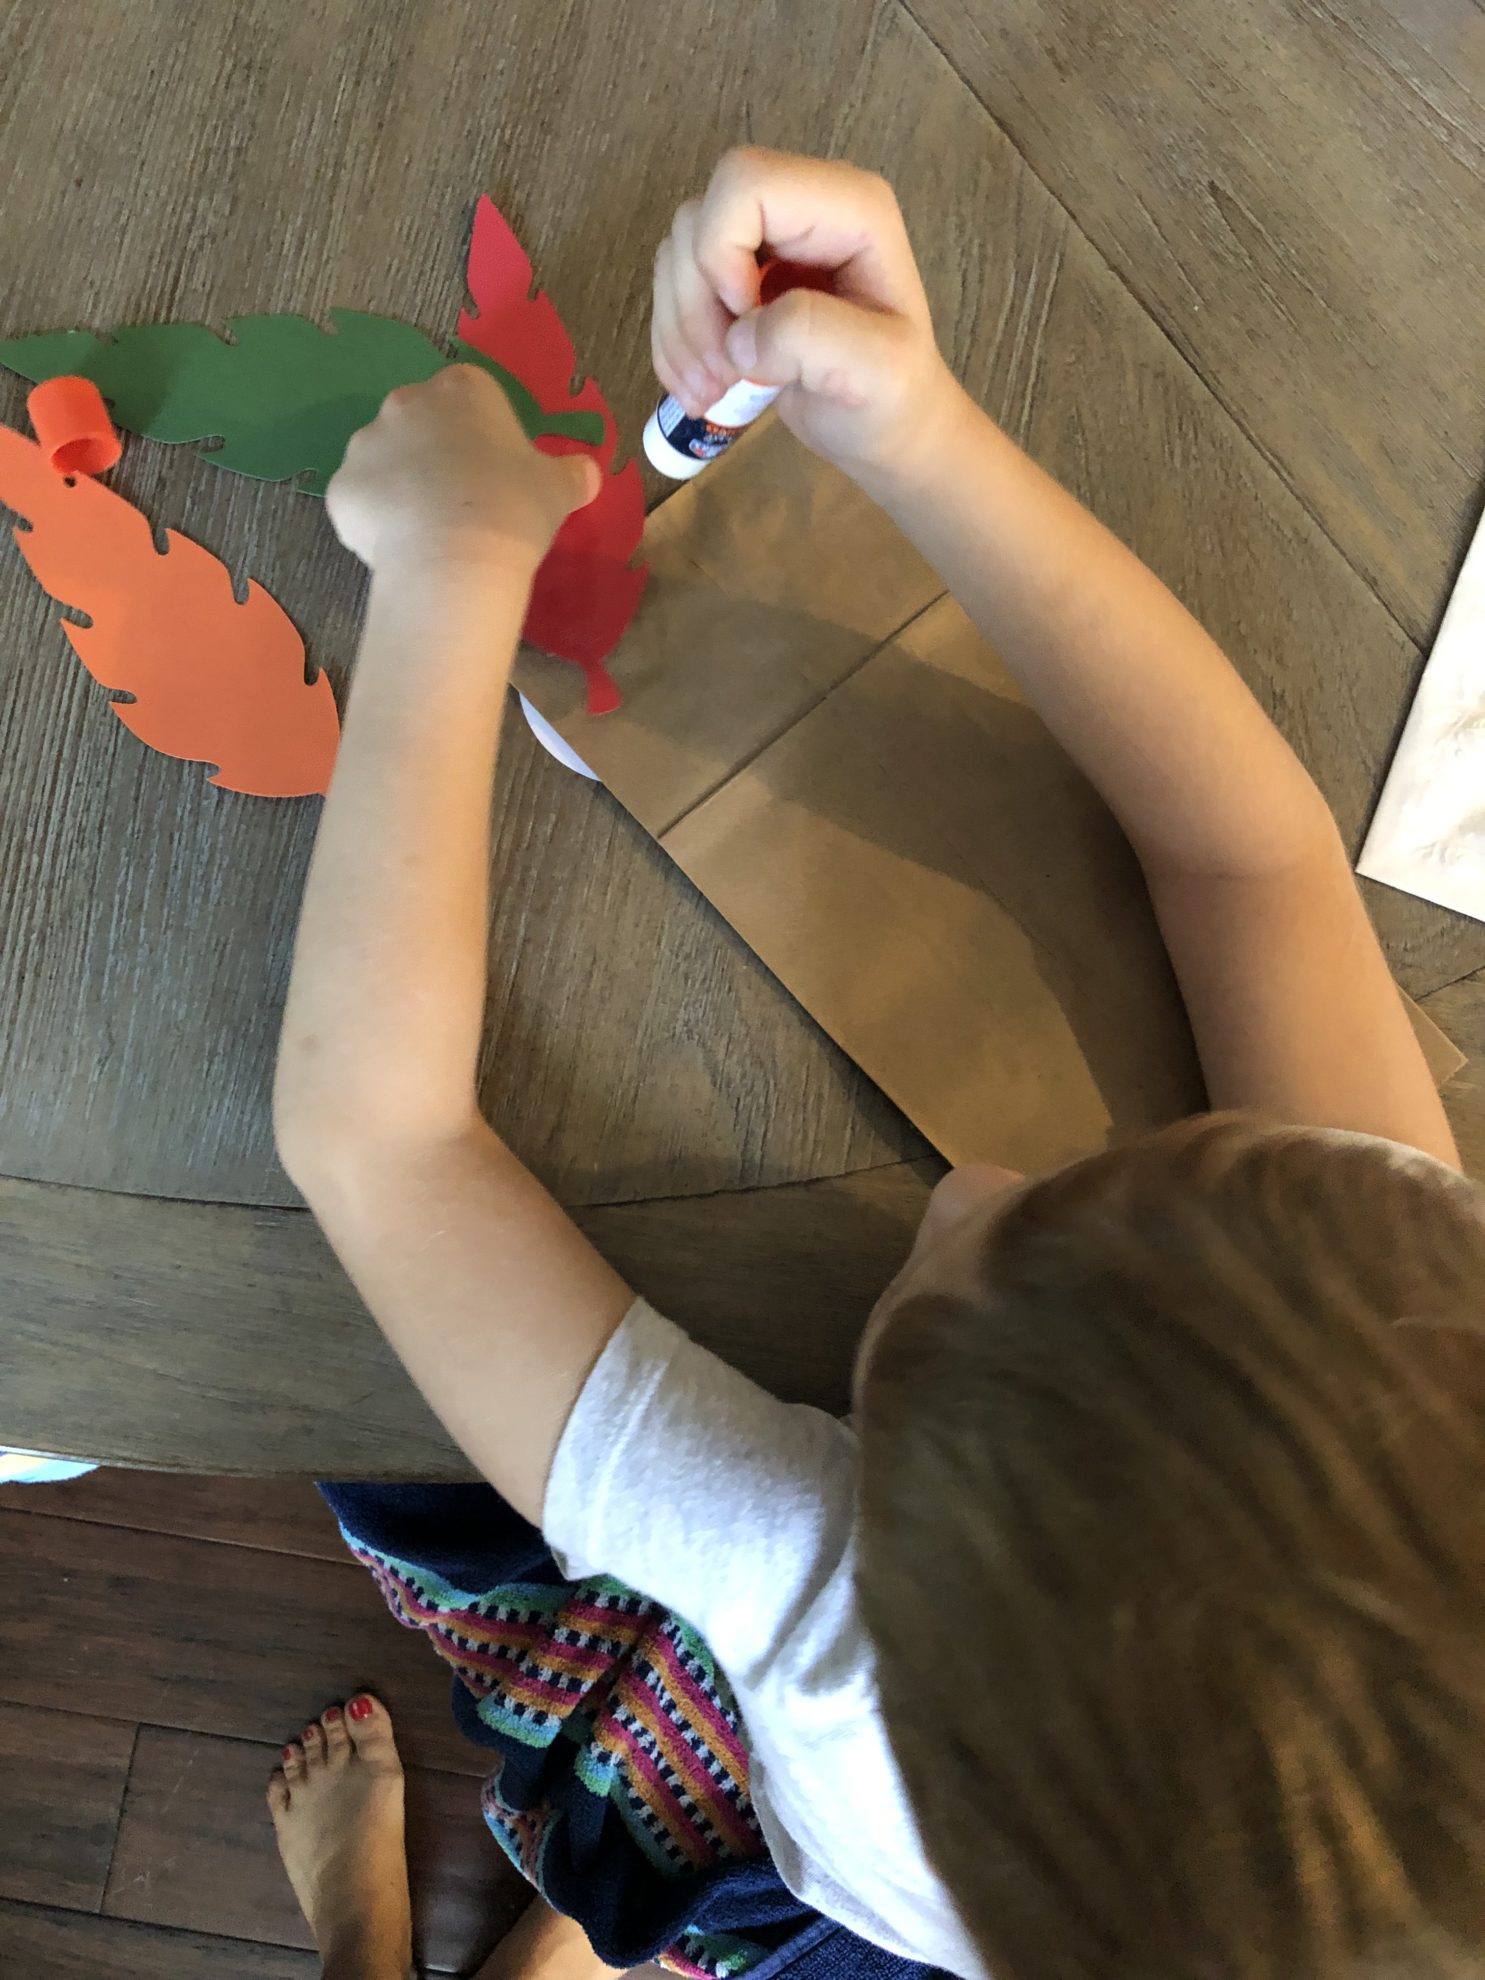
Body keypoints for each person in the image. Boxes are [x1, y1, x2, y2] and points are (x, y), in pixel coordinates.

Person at [268, 147, 1485, 1980]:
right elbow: (1253, 862)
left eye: (960, 1278)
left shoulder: (819, 1610)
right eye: (1068, 1199)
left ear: (882, 1561)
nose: (978, 1176)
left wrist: (443, 570)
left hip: (853, 1858)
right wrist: (916, 428)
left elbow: (371, 1141)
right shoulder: (1417, 1337)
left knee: (389, 1476)